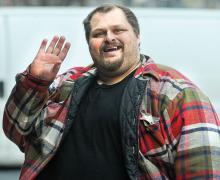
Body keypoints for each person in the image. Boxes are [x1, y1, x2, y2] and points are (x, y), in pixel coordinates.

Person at [3, 3, 220, 180]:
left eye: (118, 30)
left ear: (137, 37)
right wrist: (34, 82)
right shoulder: (65, 85)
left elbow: (204, 171)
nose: (109, 37)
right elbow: (17, 132)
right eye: (99, 33)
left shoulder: (175, 93)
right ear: (89, 44)